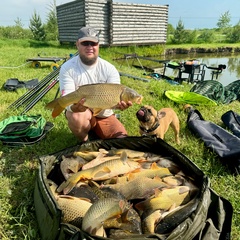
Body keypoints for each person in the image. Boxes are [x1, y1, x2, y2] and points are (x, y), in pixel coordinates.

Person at [59, 26, 133, 142]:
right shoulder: (67, 68)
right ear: (77, 44)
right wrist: (74, 107)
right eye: (85, 43)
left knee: (122, 140)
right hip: (82, 112)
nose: (90, 47)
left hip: (104, 114)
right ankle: (85, 141)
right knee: (76, 117)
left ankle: (96, 131)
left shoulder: (109, 69)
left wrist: (119, 105)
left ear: (98, 45)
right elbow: (66, 97)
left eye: (93, 43)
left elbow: (115, 97)